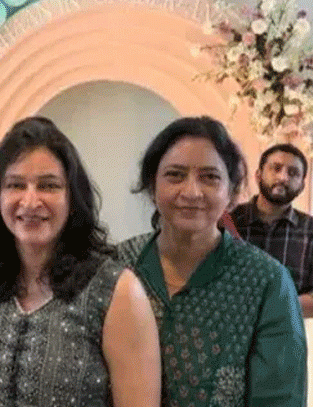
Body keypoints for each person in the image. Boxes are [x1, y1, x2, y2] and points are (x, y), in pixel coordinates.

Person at [0, 117, 160, 406]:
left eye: (48, 186)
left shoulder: (117, 292)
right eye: (15, 185)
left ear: (72, 198)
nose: (30, 201)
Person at [116, 116, 307, 406]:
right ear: (152, 187)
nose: (191, 192)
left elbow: (280, 398)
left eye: (210, 177)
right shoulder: (116, 267)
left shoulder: (268, 282)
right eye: (175, 175)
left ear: (232, 193)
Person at [230, 143, 313, 318]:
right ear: (258, 175)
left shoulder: (310, 230)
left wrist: (271, 305)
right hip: (227, 326)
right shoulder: (228, 221)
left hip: (284, 331)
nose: (283, 177)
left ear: (302, 186)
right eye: (276, 168)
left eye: (293, 173)